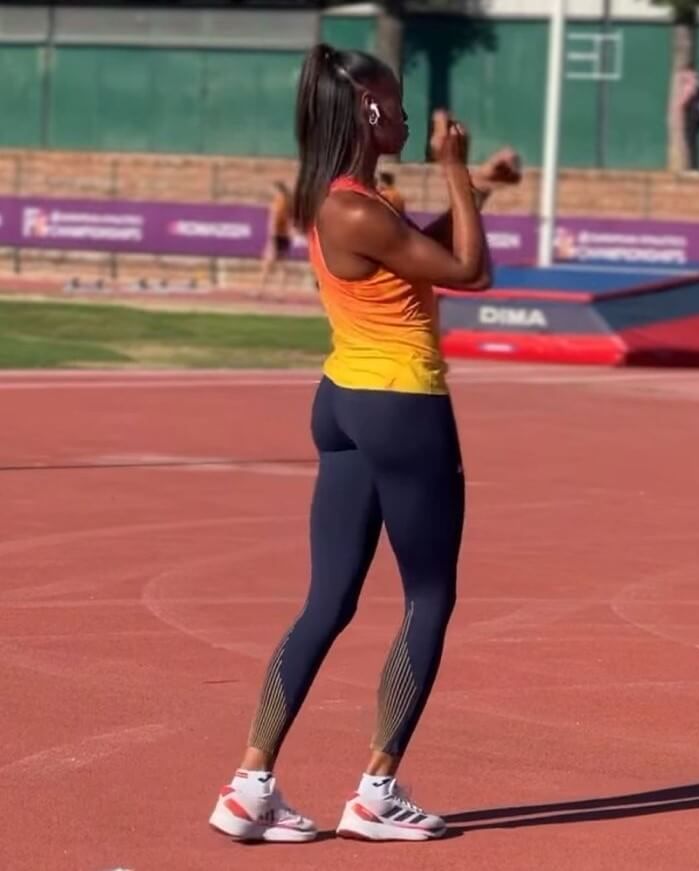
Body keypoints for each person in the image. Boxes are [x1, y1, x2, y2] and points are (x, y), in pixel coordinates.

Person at [209, 44, 522, 845]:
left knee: (329, 601)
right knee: (428, 597)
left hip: (345, 403)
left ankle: (251, 787)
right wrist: (455, 168)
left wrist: (474, 181)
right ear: (368, 112)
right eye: (398, 99)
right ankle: (377, 791)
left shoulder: (341, 197)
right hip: (400, 407)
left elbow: (417, 250)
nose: (412, 114)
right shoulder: (355, 207)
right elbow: (469, 271)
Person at [259, 180, 294, 291]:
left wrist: (272, 238)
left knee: (267, 264)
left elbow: (274, 221)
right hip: (285, 235)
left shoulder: (278, 203)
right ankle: (280, 291)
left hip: (277, 235)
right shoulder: (288, 202)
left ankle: (260, 289)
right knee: (282, 265)